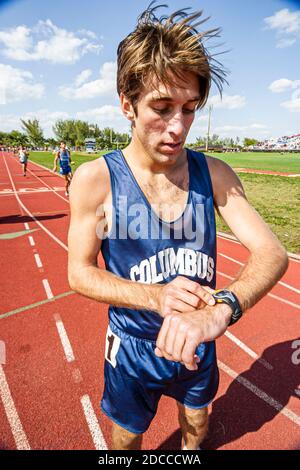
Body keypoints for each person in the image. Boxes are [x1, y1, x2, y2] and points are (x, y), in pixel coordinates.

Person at [67, 4, 288, 450]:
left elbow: (273, 253)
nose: (177, 127)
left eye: (189, 109)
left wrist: (220, 309)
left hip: (199, 343)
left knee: (197, 428)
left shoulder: (216, 174)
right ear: (127, 104)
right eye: (162, 107)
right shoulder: (97, 179)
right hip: (132, 348)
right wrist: (155, 297)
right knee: (127, 440)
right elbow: (79, 272)